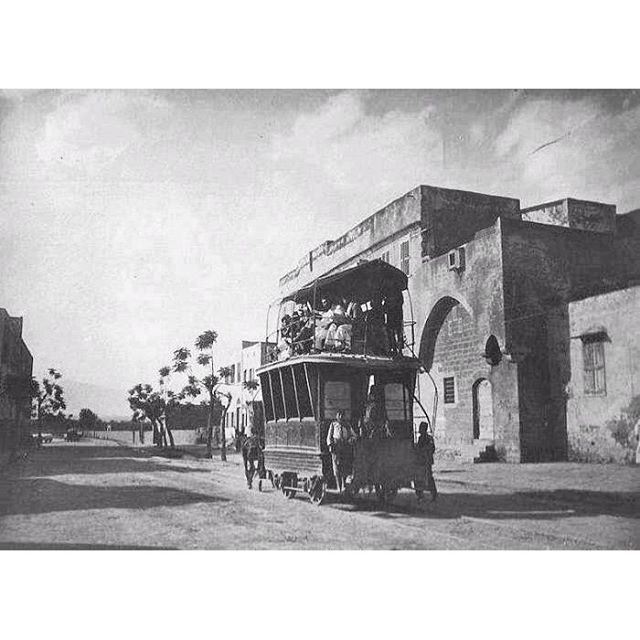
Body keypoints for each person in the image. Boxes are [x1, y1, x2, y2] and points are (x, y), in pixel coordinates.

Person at [326, 409, 356, 492]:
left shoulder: (347, 426)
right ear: (337, 416)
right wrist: (330, 445)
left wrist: (351, 439)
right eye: (339, 415)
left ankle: (344, 486)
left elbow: (354, 435)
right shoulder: (333, 425)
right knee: (337, 468)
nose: (340, 417)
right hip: (336, 448)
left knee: (344, 468)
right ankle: (338, 487)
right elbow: (329, 436)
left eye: (342, 415)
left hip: (345, 448)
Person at [415, 421, 437, 501]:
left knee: (428, 477)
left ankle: (433, 494)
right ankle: (420, 494)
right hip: (421, 461)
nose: (420, 430)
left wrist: (423, 451)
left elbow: (432, 448)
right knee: (418, 477)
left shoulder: (428, 438)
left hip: (426, 461)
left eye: (421, 428)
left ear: (424, 429)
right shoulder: (421, 438)